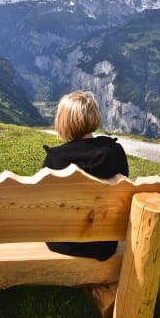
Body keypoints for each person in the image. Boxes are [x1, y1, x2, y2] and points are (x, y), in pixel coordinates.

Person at [42, 90, 129, 261]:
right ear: (94, 116)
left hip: (62, 242)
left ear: (63, 122)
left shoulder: (55, 158)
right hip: (104, 244)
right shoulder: (114, 152)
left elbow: (43, 203)